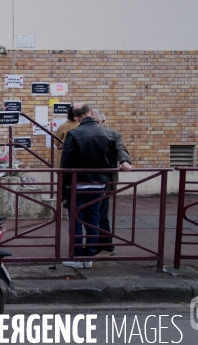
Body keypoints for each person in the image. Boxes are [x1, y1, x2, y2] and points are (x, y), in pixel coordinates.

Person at [60, 102, 131, 269]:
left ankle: (77, 257)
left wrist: (63, 188)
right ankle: (89, 256)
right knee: (94, 220)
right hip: (99, 185)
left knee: (76, 222)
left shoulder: (74, 134)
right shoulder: (109, 133)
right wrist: (125, 161)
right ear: (91, 112)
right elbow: (119, 150)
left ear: (76, 117)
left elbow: (66, 164)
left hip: (77, 185)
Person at [92, 110, 131, 255]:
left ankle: (97, 243)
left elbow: (121, 149)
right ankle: (106, 243)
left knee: (97, 213)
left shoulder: (113, 135)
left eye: (96, 121)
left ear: (103, 121)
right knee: (100, 212)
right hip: (98, 179)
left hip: (104, 179)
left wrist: (125, 161)